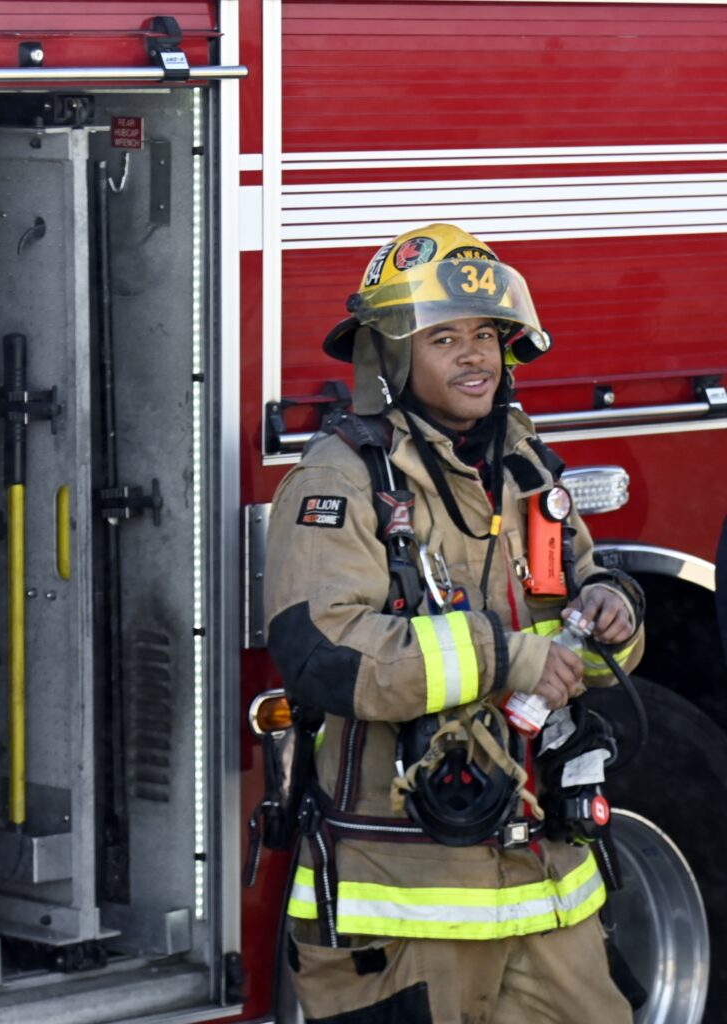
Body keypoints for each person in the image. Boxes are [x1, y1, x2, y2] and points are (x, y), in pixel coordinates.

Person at [264, 224, 645, 1023]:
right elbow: (324, 653)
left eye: (486, 336)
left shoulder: (523, 464)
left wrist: (612, 613)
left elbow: (579, 597)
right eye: (444, 339)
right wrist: (504, 658)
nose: (475, 357)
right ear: (392, 357)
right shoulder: (342, 479)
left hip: (543, 878)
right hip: (406, 896)